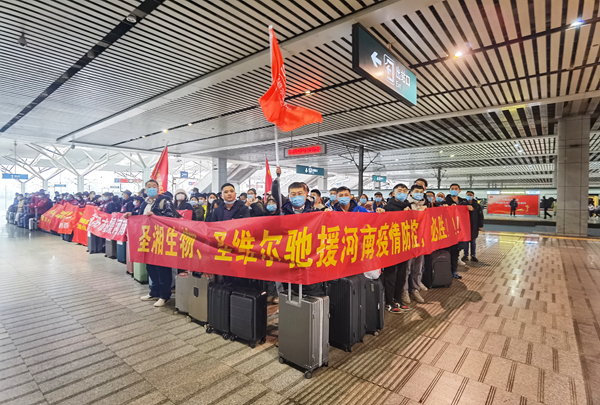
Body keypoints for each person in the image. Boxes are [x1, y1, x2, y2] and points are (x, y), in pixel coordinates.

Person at [124, 179, 177, 307]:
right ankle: (154, 292)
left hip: (161, 239)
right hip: (148, 239)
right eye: (149, 186)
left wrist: (156, 215)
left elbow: (171, 217)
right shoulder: (144, 203)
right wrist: (132, 214)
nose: (151, 188)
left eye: (154, 186)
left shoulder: (165, 201)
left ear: (158, 189)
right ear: (146, 190)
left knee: (162, 268)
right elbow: (140, 216)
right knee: (150, 267)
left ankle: (165, 295)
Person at [381, 183, 411, 313]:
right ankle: (389, 302)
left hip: (404, 245)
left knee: (402, 274)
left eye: (404, 190)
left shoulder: (408, 207)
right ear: (394, 193)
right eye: (399, 190)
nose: (402, 193)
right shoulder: (388, 207)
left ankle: (398, 299)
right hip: (391, 246)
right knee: (391, 275)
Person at [402, 184, 427, 305]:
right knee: (407, 268)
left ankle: (415, 290)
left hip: (421, 241)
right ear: (411, 193)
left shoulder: (425, 205)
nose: (419, 194)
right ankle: (404, 291)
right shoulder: (405, 205)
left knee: (418, 267)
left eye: (421, 192)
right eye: (416, 191)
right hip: (408, 241)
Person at [445, 183, 471, 278]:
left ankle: (454, 271)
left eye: (456, 188)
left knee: (456, 253)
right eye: (452, 188)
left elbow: (471, 213)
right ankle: (446, 271)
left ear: (459, 191)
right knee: (448, 253)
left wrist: (471, 208)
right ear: (449, 190)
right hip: (448, 232)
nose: (454, 190)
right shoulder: (445, 202)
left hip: (459, 232)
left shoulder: (464, 202)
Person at [460, 191, 484, 262]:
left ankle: (473, 255)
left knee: (473, 241)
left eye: (470, 195)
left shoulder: (477, 205)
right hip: (465, 226)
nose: (469, 196)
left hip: (474, 226)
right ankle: (465, 255)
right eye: (468, 195)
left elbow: (480, 216)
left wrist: (480, 225)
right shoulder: (463, 204)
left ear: (473, 196)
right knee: (465, 242)